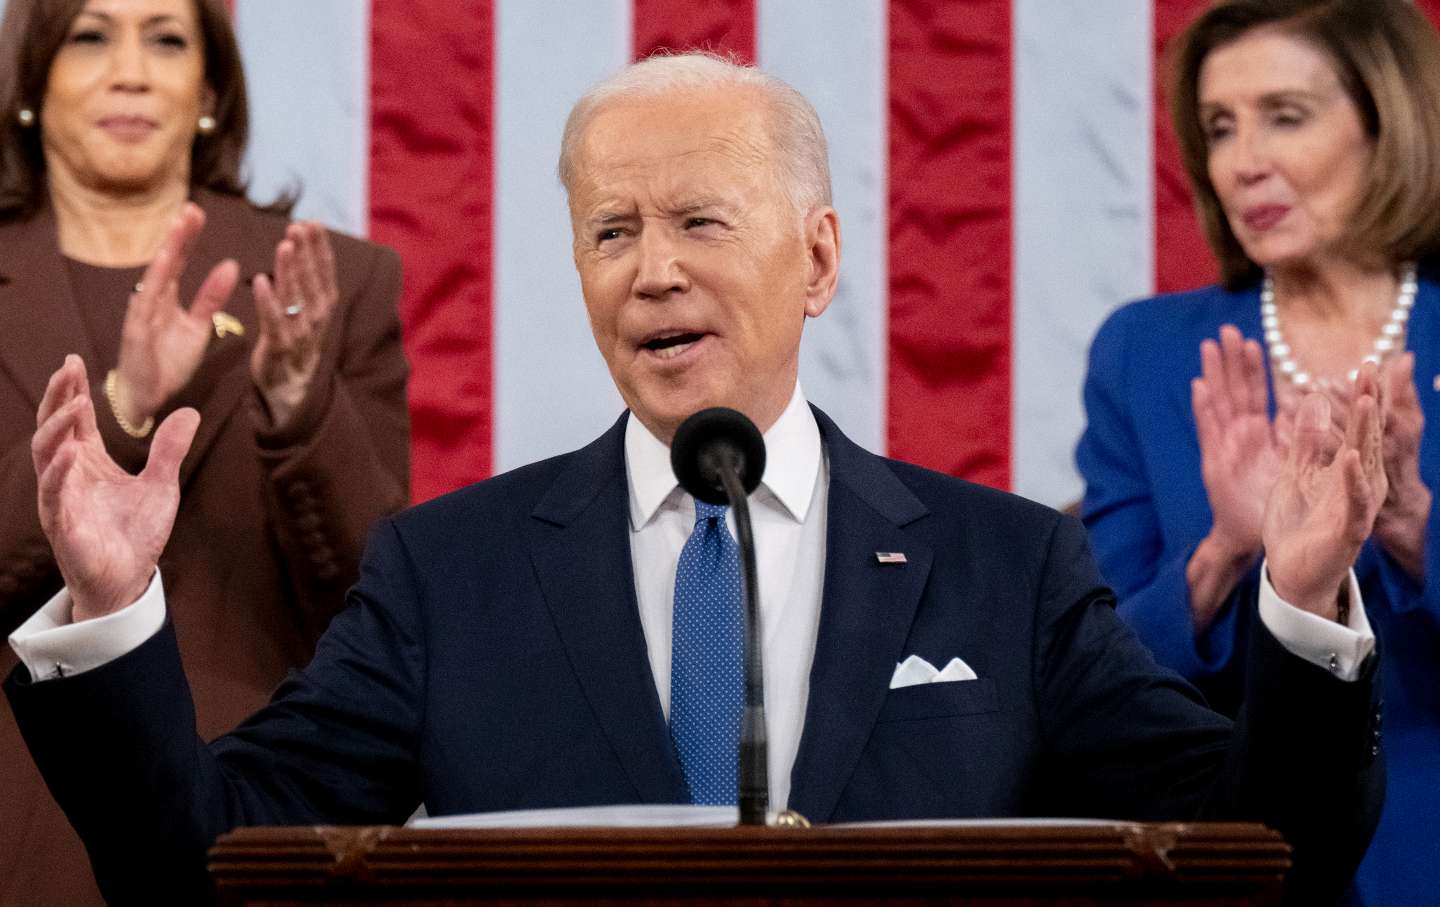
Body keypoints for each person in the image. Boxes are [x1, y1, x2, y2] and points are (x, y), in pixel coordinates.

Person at [10, 52, 1382, 906]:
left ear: (822, 259)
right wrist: (113, 603)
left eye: (699, 220)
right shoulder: (449, 569)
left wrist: (1307, 606)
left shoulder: (1008, 564)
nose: (650, 267)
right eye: (610, 229)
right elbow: (197, 863)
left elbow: (1267, 848)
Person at [0, 0, 409, 902]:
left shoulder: (339, 281)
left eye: (168, 38)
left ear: (212, 88)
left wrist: (302, 402)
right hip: (20, 817)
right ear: (31, 83)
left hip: (253, 814)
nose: (132, 69)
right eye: (91, 36)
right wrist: (125, 406)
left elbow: (378, 598)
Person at [1075, 1, 1440, 903]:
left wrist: (1410, 531)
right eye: (1219, 127)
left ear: (1386, 126)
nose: (1244, 161)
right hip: (1239, 855)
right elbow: (1099, 664)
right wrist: (1224, 553)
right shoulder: (1149, 352)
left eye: (1286, 115)